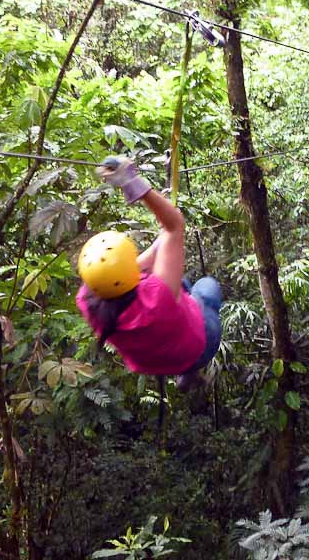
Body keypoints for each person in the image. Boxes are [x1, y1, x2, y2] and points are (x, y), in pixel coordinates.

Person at [75, 156, 222, 391]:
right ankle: (190, 369)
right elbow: (174, 226)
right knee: (206, 287)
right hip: (198, 346)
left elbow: (157, 252)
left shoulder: (88, 300)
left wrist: (164, 223)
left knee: (180, 282)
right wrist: (131, 182)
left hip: (153, 360)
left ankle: (184, 372)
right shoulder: (157, 296)